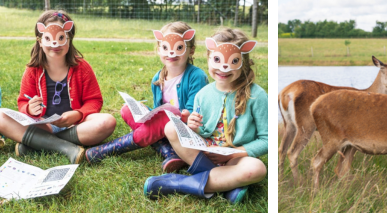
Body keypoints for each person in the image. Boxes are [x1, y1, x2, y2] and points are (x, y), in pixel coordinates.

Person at [144, 28, 267, 205]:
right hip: (204, 153)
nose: (223, 68)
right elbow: (204, 131)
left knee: (257, 169)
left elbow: (266, 139)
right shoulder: (203, 94)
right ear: (208, 58)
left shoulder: (257, 96)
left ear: (243, 61)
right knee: (171, 128)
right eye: (216, 59)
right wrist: (195, 127)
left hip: (236, 159)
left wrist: (232, 155)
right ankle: (227, 186)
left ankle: (179, 183)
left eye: (233, 61)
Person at [85, 22, 209, 173]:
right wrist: (147, 112)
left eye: (179, 47)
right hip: (164, 125)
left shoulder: (196, 76)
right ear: (158, 49)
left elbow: (192, 113)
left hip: (184, 128)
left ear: (191, 51)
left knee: (168, 115)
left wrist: (176, 115)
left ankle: (107, 150)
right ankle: (169, 153)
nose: (171, 53)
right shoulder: (158, 77)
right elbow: (158, 109)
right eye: (165, 47)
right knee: (127, 109)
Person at [0, 10, 116, 164]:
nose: (55, 44)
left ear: (69, 38)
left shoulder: (82, 67)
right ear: (40, 40)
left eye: (61, 37)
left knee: (108, 121)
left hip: (77, 126)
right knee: (1, 116)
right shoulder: (33, 70)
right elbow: (22, 101)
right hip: (43, 126)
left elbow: (94, 101)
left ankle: (36, 144)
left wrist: (77, 114)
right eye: (48, 38)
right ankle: (65, 148)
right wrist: (29, 109)